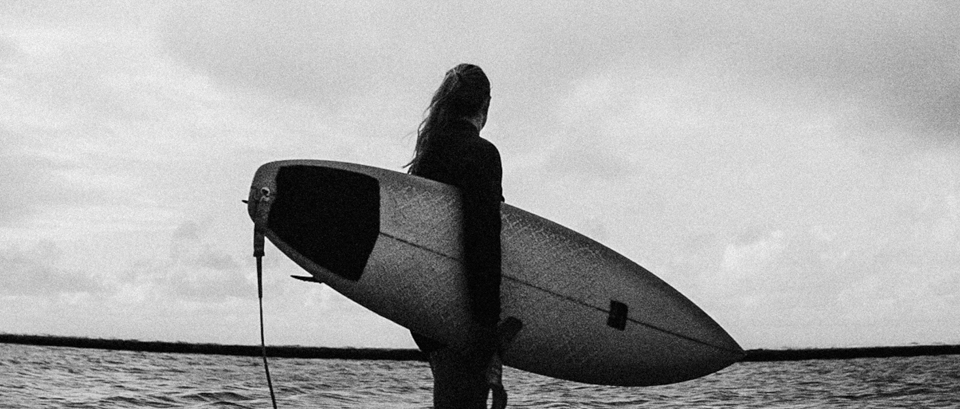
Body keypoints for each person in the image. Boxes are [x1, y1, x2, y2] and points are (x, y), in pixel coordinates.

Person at [406, 63, 507, 408]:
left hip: (425, 310)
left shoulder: (427, 155)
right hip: (464, 311)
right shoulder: (481, 154)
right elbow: (483, 239)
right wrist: (486, 328)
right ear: (485, 104)